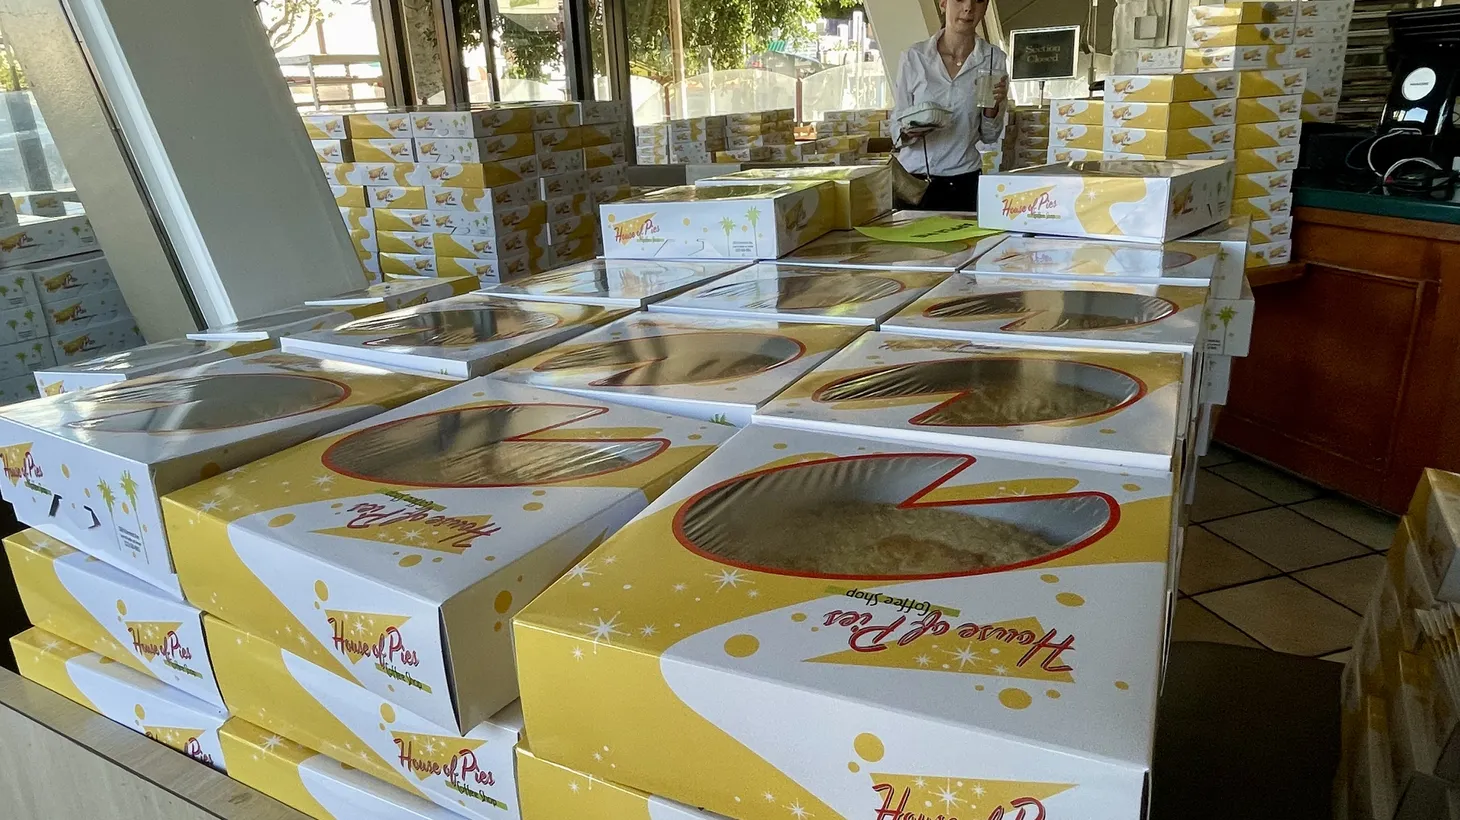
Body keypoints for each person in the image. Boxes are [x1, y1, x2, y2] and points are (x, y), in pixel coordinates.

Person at [892, 0, 1009, 212]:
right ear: (943, 3)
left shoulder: (993, 59)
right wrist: (910, 131)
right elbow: (896, 128)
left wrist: (992, 110)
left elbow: (990, 137)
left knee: (966, 245)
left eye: (978, 1)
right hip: (914, 183)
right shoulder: (914, 57)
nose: (968, 8)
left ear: (986, 7)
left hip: (964, 182)